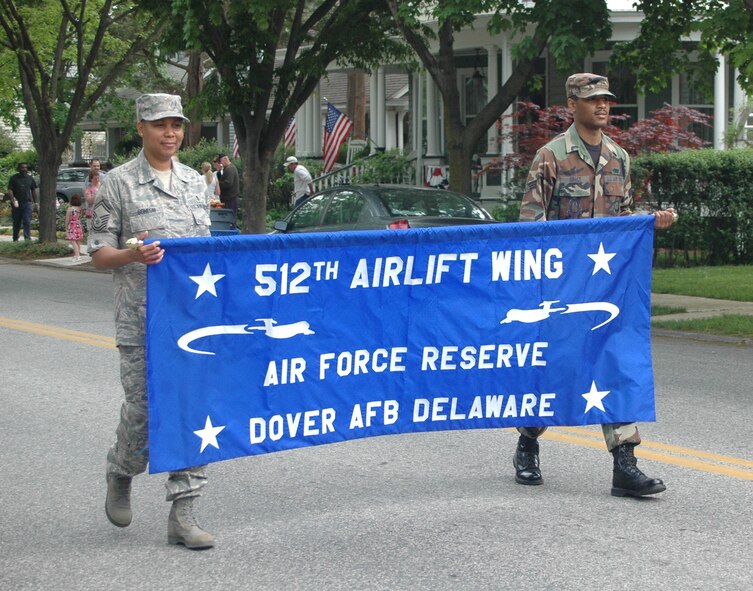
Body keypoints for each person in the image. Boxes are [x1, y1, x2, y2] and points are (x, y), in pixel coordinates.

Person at [515, 73, 677, 498]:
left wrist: (650, 220)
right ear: (573, 105)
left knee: (613, 365)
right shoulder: (550, 157)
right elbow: (530, 224)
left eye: (606, 99)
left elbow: (621, 219)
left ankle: (625, 463)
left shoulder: (619, 157)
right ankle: (528, 441)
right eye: (592, 100)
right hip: (563, 288)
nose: (602, 106)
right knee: (557, 369)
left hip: (608, 288)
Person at [88, 93, 215, 549]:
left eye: (176, 125)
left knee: (194, 411)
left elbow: (206, 258)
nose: (170, 133)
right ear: (140, 127)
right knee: (143, 413)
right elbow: (99, 254)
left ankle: (184, 513)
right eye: (160, 125)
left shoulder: (195, 183)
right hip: (140, 321)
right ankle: (122, 470)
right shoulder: (117, 184)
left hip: (190, 322)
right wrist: (132, 253)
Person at [7, 162, 38, 241]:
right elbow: (10, 189)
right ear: (19, 169)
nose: (24, 169)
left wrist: (36, 203)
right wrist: (13, 199)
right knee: (16, 222)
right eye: (22, 167)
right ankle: (15, 238)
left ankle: (27, 239)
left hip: (27, 203)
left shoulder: (30, 178)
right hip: (16, 203)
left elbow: (33, 190)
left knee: (27, 221)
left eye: (25, 168)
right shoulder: (14, 178)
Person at [215, 153, 239, 224]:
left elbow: (228, 183)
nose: (220, 164)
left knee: (230, 218)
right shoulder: (226, 169)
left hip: (230, 198)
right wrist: (218, 173)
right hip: (227, 198)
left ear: (225, 159)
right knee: (227, 218)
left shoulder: (230, 169)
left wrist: (217, 184)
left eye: (221, 161)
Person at [65, 194, 84, 260]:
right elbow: (79, 217)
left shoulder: (70, 209)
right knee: (78, 241)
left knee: (73, 241)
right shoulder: (80, 209)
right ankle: (77, 254)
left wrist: (66, 227)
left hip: (72, 225)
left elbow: (67, 219)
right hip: (78, 225)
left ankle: (77, 255)